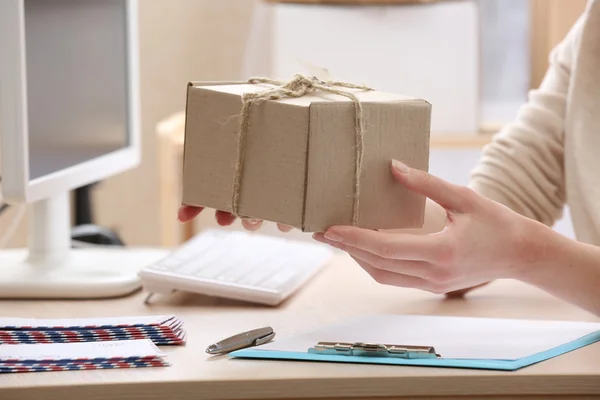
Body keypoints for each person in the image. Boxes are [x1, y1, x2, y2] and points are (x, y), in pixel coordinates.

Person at [179, 0, 600, 317]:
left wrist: (527, 254)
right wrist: (306, 181)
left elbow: (509, 243)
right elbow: (494, 209)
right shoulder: (590, 32)